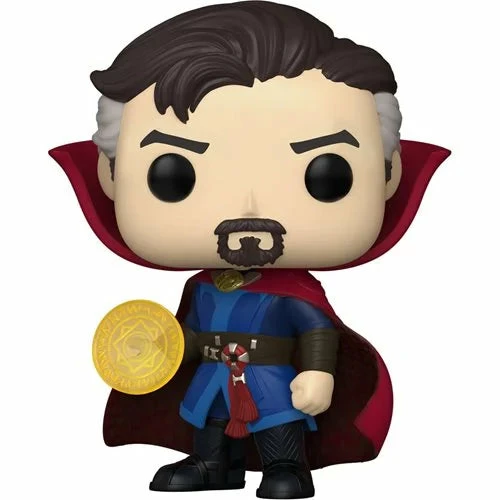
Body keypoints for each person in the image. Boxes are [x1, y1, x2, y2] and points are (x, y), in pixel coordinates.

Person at [49, 2, 450, 498]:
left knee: (279, 422)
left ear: (389, 173)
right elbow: (191, 332)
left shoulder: (296, 291)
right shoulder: (202, 287)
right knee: (209, 422)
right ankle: (213, 465)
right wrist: (161, 349)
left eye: (327, 175)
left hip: (272, 376)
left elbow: (316, 330)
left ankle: (287, 467)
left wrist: (318, 374)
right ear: (110, 173)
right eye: (174, 175)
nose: (249, 211)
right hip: (213, 374)